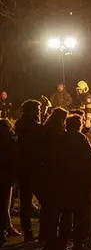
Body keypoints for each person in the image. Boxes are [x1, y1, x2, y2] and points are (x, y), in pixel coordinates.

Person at [62, 115, 91, 250]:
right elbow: (89, 159)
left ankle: (63, 242)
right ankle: (78, 244)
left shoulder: (63, 138)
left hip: (66, 180)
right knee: (80, 213)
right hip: (79, 180)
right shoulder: (80, 138)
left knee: (66, 213)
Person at [38, 108, 70, 250]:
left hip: (46, 174)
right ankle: (54, 241)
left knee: (48, 208)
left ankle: (46, 238)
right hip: (56, 174)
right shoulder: (58, 136)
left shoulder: (45, 132)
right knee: (58, 208)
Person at [15, 100, 43, 242]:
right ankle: (43, 232)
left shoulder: (21, 125)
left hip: (23, 168)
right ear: (32, 111)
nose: (40, 111)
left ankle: (28, 234)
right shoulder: (34, 128)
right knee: (45, 201)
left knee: (25, 203)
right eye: (38, 109)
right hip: (34, 168)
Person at [0, 119, 17, 247]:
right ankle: (2, 232)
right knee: (5, 203)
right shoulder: (10, 141)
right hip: (6, 175)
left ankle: (4, 230)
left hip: (5, 174)